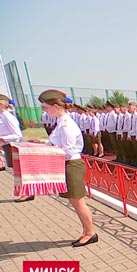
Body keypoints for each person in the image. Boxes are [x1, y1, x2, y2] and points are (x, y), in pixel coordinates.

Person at [30, 90, 98, 246]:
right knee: (75, 202)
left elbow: (67, 151)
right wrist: (39, 143)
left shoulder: (66, 124)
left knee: (78, 202)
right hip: (68, 164)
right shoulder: (61, 122)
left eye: (46, 107)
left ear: (55, 106)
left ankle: (90, 233)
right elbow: (53, 142)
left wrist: (49, 151)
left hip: (72, 165)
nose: (44, 110)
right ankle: (86, 231)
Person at [0, 94, 23, 172]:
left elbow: (18, 135)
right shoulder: (2, 116)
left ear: (1, 105)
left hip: (11, 146)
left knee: (15, 170)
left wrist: (2, 138)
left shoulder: (8, 117)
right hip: (6, 146)